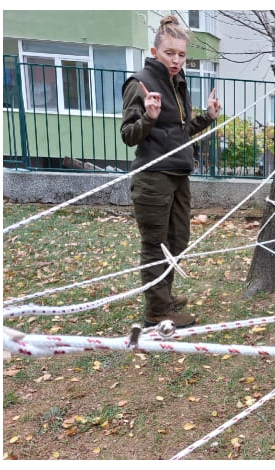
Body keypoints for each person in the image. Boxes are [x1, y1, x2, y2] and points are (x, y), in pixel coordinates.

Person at [120, 15, 221, 328]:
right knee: (156, 245)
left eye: (181, 54)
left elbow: (178, 131)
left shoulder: (178, 84)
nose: (176, 60)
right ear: (154, 51)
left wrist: (206, 117)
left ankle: (164, 296)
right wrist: (148, 117)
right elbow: (128, 135)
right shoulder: (140, 84)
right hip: (153, 178)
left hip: (178, 176)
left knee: (176, 241)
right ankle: (157, 311)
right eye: (169, 53)